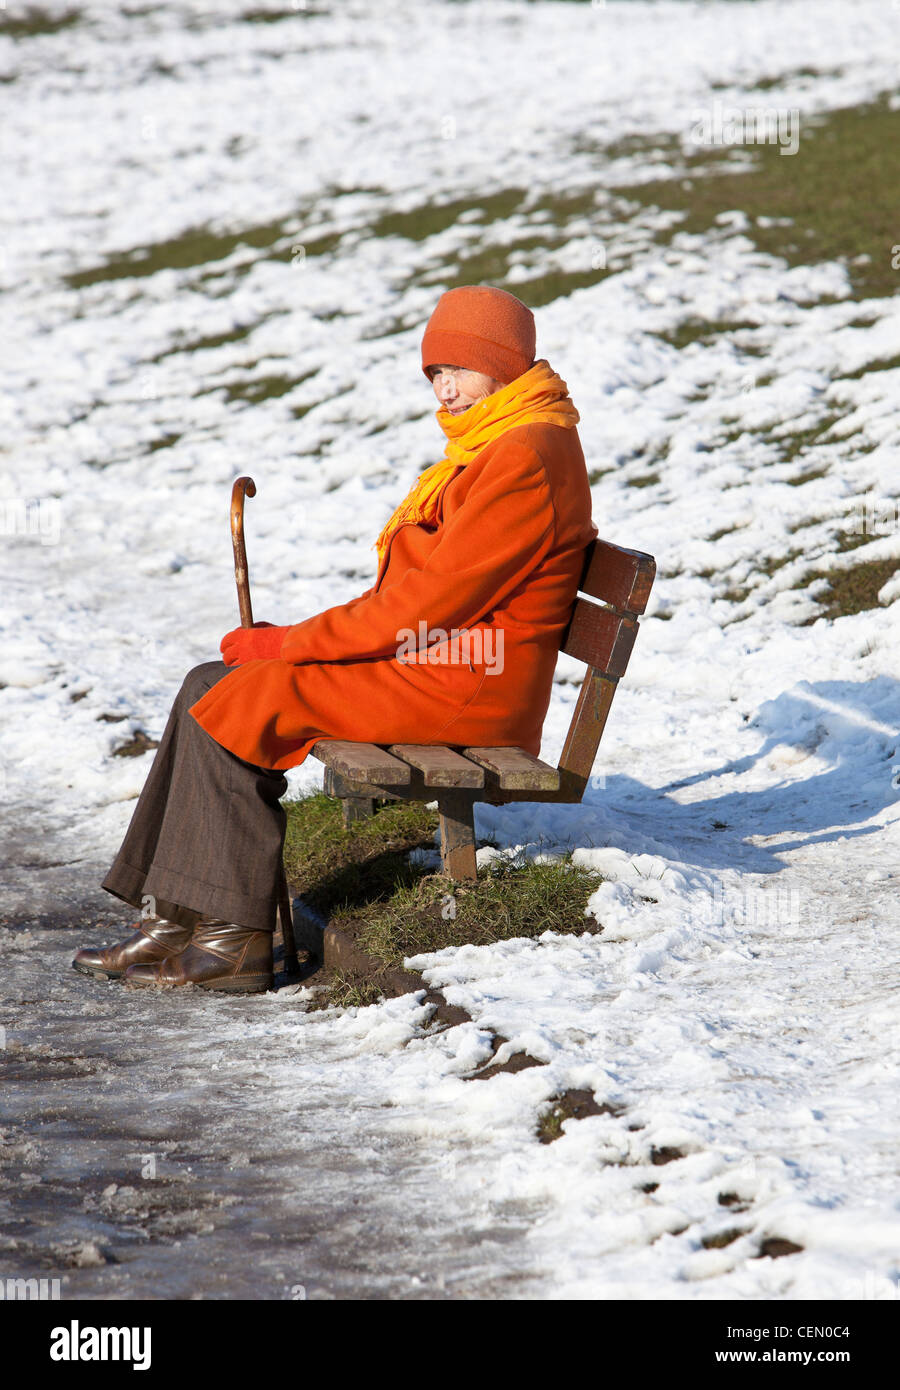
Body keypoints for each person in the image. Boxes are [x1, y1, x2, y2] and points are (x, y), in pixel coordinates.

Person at [72, 285, 596, 993]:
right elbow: (409, 604)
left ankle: (237, 942)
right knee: (209, 683)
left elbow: (428, 606)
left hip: (467, 679)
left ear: (502, 365)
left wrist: (287, 644)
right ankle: (181, 914)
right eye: (433, 374)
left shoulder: (524, 453)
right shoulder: (497, 440)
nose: (442, 390)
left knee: (255, 694)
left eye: (457, 370)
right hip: (436, 660)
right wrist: (292, 642)